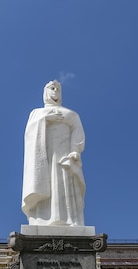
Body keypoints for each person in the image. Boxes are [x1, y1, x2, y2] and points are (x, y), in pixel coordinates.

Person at [22, 80, 86, 226]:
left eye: (58, 88)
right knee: (46, 182)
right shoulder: (37, 113)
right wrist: (45, 119)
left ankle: (70, 219)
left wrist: (75, 150)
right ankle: (41, 220)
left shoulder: (71, 114)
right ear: (46, 92)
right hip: (45, 156)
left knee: (65, 183)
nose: (55, 91)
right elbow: (29, 134)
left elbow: (78, 131)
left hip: (65, 155)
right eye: (52, 88)